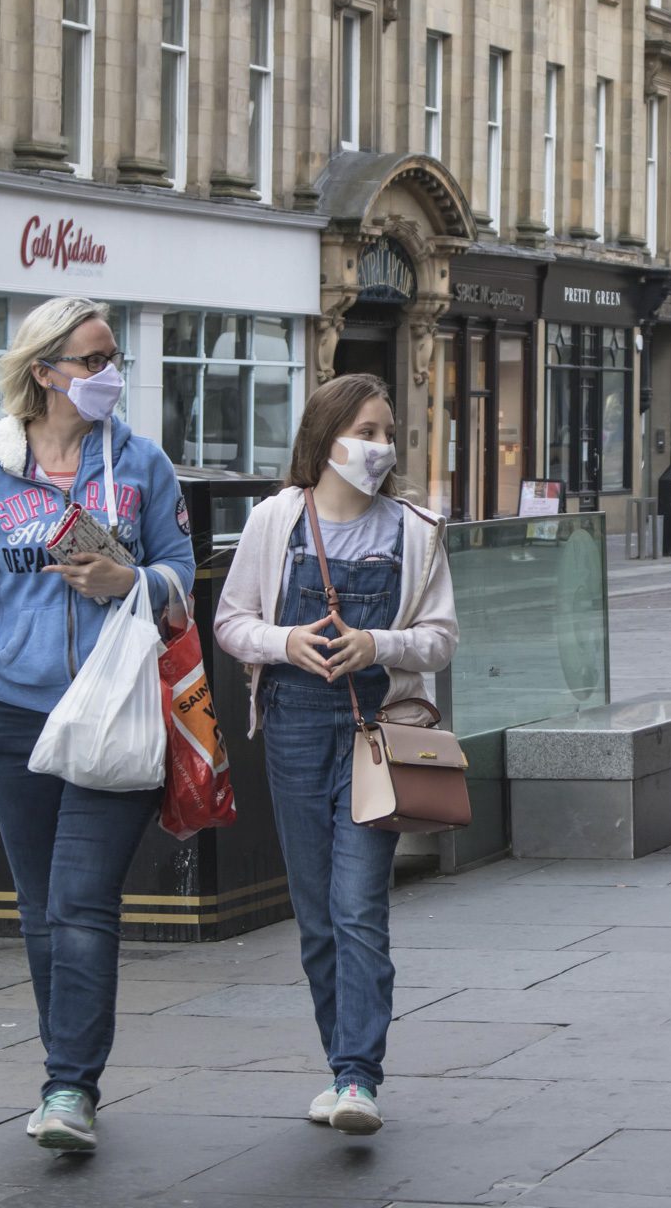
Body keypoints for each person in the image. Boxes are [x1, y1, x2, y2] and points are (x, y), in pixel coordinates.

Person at [0, 297, 194, 1154]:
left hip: (115, 712)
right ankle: (69, 1069)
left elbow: (182, 578)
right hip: (12, 716)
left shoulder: (141, 465)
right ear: (44, 372)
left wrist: (129, 581)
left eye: (111, 360)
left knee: (80, 900)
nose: (109, 376)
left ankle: (68, 1087)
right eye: (93, 360)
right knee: (39, 910)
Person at [215, 374, 458, 1137]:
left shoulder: (415, 531)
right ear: (324, 438)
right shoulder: (274, 521)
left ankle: (359, 1076)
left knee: (359, 908)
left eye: (388, 434)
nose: (379, 448)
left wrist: (376, 644)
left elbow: (441, 639)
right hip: (292, 725)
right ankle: (339, 1066)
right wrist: (285, 642)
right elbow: (231, 621)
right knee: (316, 916)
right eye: (366, 431)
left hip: (376, 734)